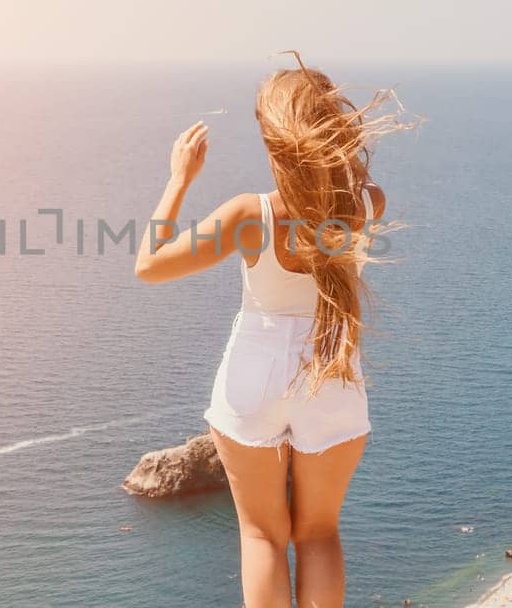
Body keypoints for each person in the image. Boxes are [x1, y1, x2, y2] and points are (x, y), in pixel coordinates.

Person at [134, 56, 404, 607]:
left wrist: (178, 180)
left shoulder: (249, 214)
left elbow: (150, 264)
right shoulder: (365, 204)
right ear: (329, 129)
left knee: (261, 535)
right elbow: (360, 179)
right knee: (319, 533)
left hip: (252, 379)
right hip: (330, 375)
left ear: (273, 139)